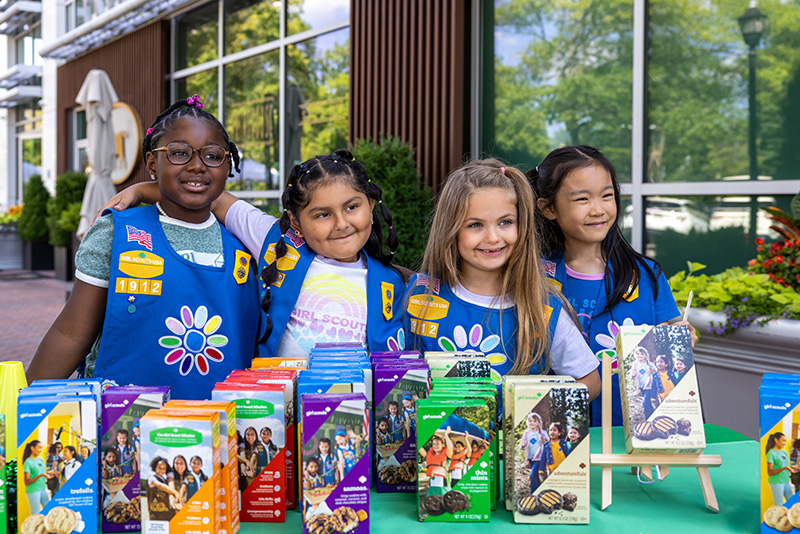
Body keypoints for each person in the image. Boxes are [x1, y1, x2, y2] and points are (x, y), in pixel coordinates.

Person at [25, 95, 260, 400]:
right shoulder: (117, 232)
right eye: (179, 153)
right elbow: (71, 333)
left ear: (229, 165)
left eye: (213, 156)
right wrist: (19, 408)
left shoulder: (245, 243)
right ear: (152, 162)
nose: (198, 166)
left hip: (219, 428)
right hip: (122, 423)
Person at [95, 149, 404, 357]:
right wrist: (140, 191)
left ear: (371, 205)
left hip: (354, 422)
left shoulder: (392, 284)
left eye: (352, 207)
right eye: (323, 214)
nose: (341, 224)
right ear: (296, 221)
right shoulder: (277, 244)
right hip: (278, 415)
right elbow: (211, 199)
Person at [405, 159, 600, 398]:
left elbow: (589, 380)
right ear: (450, 229)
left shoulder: (542, 307)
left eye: (505, 222)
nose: (493, 237)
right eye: (475, 225)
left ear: (523, 225)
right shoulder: (421, 298)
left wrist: (535, 413)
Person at [529, 145, 696, 426]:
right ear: (548, 208)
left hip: (635, 433)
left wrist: (685, 337)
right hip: (562, 438)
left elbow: (673, 331)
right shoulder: (534, 278)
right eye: (582, 199)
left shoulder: (647, 275)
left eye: (607, 196)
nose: (598, 209)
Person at [519, 412, 548, 493]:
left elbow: (547, 442)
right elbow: (523, 442)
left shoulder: (541, 433)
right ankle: (540, 491)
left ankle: (534, 493)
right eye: (530, 421)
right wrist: (521, 446)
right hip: (531, 456)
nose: (532, 423)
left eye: (534, 421)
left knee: (532, 475)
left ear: (538, 423)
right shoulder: (526, 433)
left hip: (539, 456)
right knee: (535, 475)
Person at [147, 457, 182, 521]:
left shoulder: (164, 480)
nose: (161, 470)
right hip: (156, 514)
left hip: (166, 513)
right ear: (155, 467)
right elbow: (161, 486)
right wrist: (176, 493)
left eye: (164, 468)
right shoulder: (151, 478)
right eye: (159, 467)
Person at [766, 432, 797, 505]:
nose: (785, 443)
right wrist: (784, 468)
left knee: (792, 503)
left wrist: (794, 467)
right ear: (776, 440)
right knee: (779, 504)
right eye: (783, 440)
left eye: (785, 441)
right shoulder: (771, 453)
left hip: (786, 481)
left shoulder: (784, 452)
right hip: (776, 482)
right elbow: (770, 472)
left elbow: (785, 465)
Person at [22, 440, 52, 513]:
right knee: (36, 513)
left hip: (42, 489)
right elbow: (26, 482)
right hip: (33, 491)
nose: (41, 450)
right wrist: (39, 476)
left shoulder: (40, 460)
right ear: (32, 448)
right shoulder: (28, 462)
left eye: (41, 448)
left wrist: (49, 474)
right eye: (39, 448)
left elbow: (42, 472)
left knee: (49, 510)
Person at [631, 346, 658, 418]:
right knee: (648, 403)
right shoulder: (635, 365)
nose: (639, 355)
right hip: (641, 386)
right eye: (638, 354)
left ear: (645, 355)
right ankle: (654, 416)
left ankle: (648, 419)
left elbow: (656, 373)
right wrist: (633, 376)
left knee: (645, 402)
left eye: (641, 354)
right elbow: (632, 375)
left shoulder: (649, 364)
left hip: (649, 385)